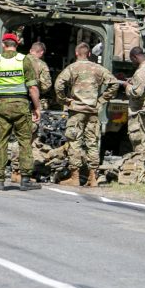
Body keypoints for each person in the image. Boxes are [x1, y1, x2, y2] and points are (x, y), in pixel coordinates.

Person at [55, 42, 118, 187]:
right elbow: (114, 83)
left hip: (76, 111)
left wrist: (64, 100)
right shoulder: (98, 68)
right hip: (93, 111)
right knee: (92, 143)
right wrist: (101, 100)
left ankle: (75, 177)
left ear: (77, 53)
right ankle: (93, 178)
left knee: (74, 142)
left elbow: (59, 84)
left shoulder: (71, 68)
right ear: (89, 54)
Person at [0, 32, 41, 191]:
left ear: (4, 44)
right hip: (21, 106)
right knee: (25, 141)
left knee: (0, 142)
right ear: (17, 44)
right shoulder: (23, 60)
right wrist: (37, 107)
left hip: (2, 106)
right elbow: (32, 87)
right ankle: (25, 179)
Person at [9, 41, 52, 183]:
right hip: (30, 104)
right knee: (27, 139)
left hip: (13, 102)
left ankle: (14, 170)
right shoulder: (41, 65)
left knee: (16, 136)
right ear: (41, 53)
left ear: (30, 50)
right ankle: (22, 172)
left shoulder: (17, 60)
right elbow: (46, 86)